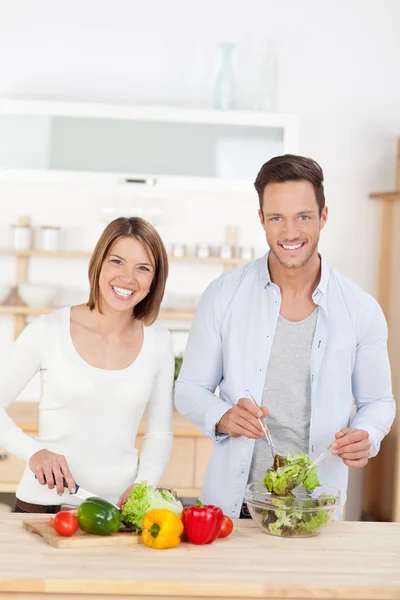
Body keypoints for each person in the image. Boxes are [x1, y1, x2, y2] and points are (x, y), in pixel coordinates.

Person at [175, 154, 396, 519]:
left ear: (324, 217)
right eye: (277, 217)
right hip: (234, 509)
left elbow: (379, 402)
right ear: (261, 219)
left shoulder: (361, 309)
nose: (290, 232)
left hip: (317, 507)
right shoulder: (223, 294)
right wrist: (222, 415)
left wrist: (367, 435)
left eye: (303, 217)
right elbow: (189, 389)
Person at [0, 216, 174, 513]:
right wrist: (34, 453)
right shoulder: (47, 330)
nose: (128, 278)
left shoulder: (159, 341)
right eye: (117, 262)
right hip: (44, 505)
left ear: (154, 280)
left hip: (117, 511)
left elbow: (158, 432)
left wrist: (144, 483)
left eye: (143, 268)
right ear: (98, 264)